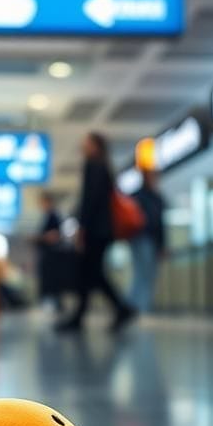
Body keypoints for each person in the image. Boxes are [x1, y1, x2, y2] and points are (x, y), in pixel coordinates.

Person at [57, 132, 135, 333]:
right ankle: (114, 309)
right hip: (103, 230)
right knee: (91, 273)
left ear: (96, 146)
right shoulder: (104, 167)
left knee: (89, 273)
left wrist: (81, 228)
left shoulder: (93, 166)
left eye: (87, 142)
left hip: (95, 231)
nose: (83, 145)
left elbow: (89, 201)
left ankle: (116, 309)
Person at [130, 169, 166, 314]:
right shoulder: (145, 197)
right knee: (144, 274)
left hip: (149, 240)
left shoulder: (153, 197)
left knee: (146, 274)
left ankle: (134, 306)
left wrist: (162, 245)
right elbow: (157, 222)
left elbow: (161, 224)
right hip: (142, 238)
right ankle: (138, 307)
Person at [33, 190, 63, 312]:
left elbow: (55, 235)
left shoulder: (54, 216)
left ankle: (53, 302)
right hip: (47, 252)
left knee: (52, 279)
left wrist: (40, 238)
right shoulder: (48, 216)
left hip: (52, 254)